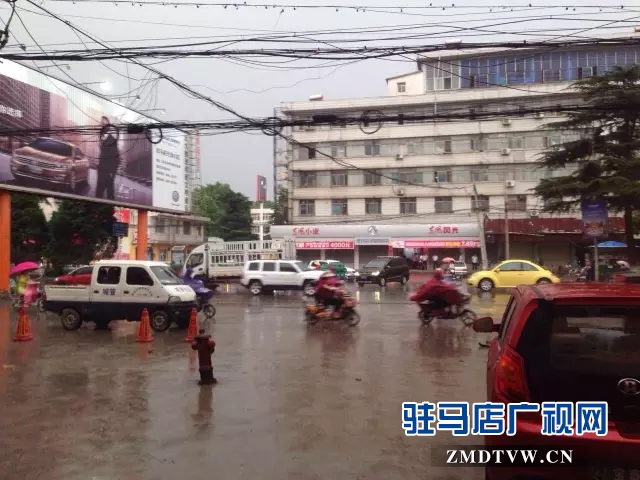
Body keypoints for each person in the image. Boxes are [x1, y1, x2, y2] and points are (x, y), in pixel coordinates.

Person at [96, 116, 120, 200]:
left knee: (109, 195)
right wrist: (99, 164)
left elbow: (117, 158)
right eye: (101, 124)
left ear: (108, 127)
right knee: (99, 194)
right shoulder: (102, 139)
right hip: (101, 171)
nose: (103, 126)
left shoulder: (111, 139)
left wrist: (112, 173)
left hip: (108, 173)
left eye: (105, 124)